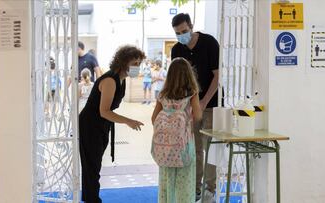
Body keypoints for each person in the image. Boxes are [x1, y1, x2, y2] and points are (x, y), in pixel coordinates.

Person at [79, 45, 146, 202]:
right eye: (134, 63)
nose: (137, 67)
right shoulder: (110, 80)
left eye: (139, 64)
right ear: (123, 62)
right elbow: (105, 111)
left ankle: (90, 197)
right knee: (92, 167)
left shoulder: (121, 80)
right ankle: (92, 199)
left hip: (101, 125)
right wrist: (128, 121)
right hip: (90, 125)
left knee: (94, 166)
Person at [171, 13, 221, 202]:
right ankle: (195, 188)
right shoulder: (177, 49)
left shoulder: (209, 43)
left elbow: (218, 76)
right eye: (177, 33)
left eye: (184, 31)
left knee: (211, 148)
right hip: (188, 107)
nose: (181, 36)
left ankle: (210, 189)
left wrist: (203, 102)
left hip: (210, 104)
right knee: (194, 149)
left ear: (191, 26)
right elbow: (178, 79)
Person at [151, 57, 202, 203]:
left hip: (165, 149)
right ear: (189, 74)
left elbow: (154, 119)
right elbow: (198, 116)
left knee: (166, 182)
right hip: (185, 146)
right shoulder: (192, 93)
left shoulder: (163, 95)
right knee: (184, 183)